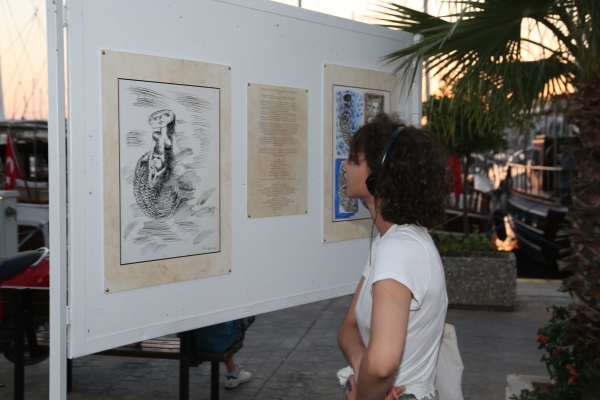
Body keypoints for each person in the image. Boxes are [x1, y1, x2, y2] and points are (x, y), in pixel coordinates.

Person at [337, 113, 449, 400]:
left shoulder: (398, 249)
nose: (345, 165)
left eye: (354, 160)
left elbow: (383, 364)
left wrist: (362, 395)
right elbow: (348, 329)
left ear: (379, 177)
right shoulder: (388, 241)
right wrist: (361, 361)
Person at [183, 317, 255, 389]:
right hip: (216, 339)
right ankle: (233, 374)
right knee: (245, 315)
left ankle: (234, 371)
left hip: (189, 341)